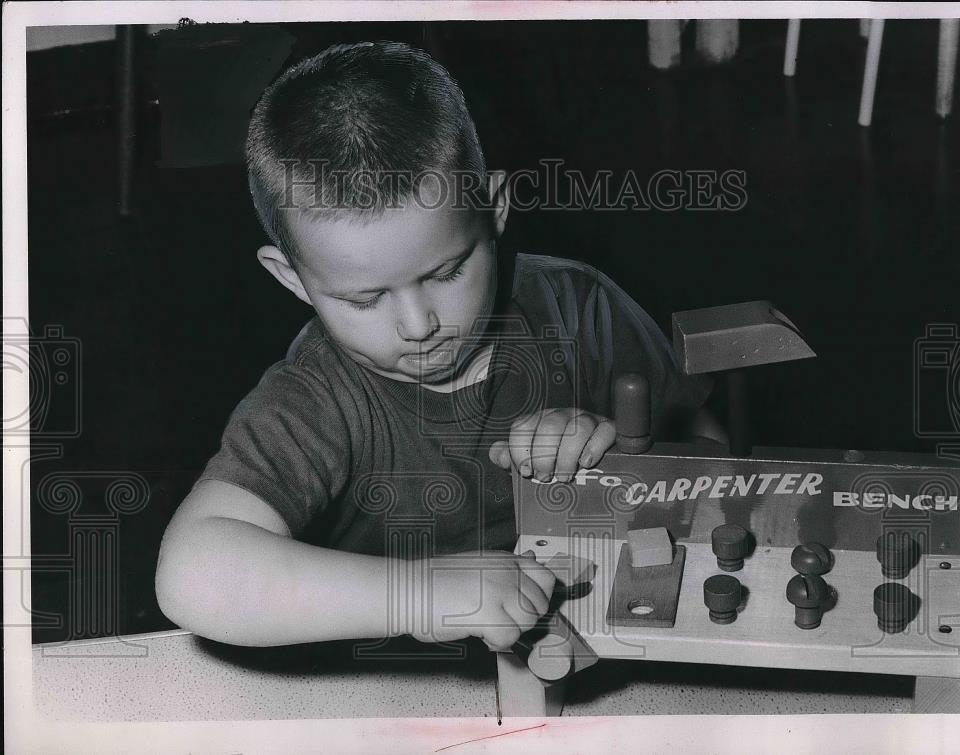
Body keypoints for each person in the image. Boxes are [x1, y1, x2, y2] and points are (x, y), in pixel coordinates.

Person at [155, 40, 724, 652]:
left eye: (447, 272)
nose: (418, 324)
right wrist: (420, 594)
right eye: (364, 299)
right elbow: (192, 574)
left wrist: (616, 455)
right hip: (392, 683)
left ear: (496, 208)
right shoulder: (314, 399)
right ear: (293, 278)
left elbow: (715, 459)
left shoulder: (579, 307)